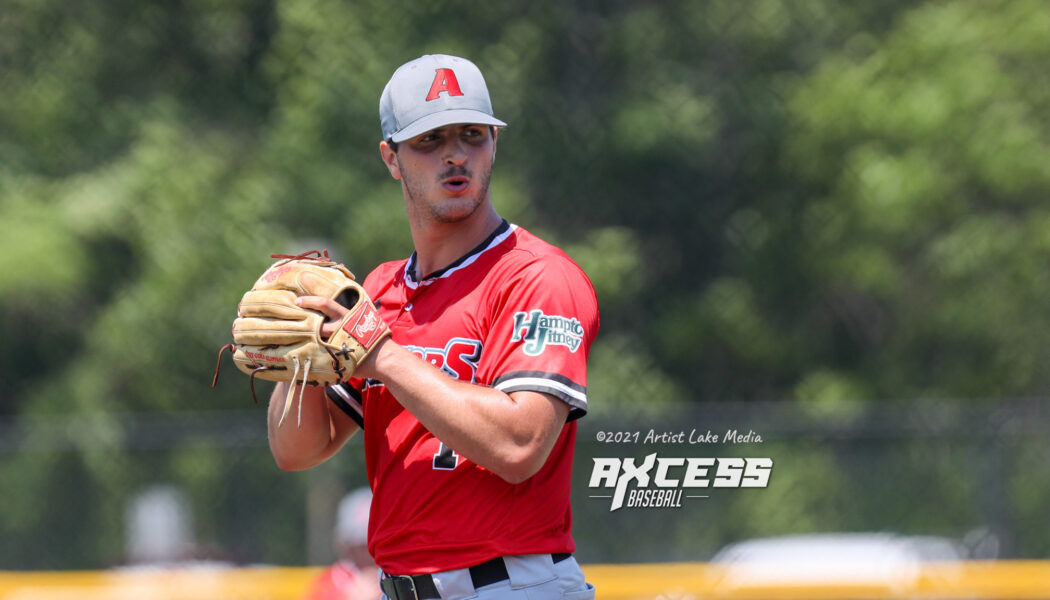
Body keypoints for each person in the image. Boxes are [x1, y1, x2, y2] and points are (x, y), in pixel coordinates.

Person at [267, 54, 599, 600]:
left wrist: (386, 357)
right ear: (391, 158)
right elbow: (299, 449)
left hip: (510, 587)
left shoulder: (537, 276)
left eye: (472, 134)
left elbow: (521, 448)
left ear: (495, 142)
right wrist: (296, 353)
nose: (454, 154)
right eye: (429, 140)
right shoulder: (380, 290)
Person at [303, 487, 381, 600]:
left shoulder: (401, 578)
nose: (371, 553)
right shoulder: (329, 585)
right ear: (348, 547)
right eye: (363, 546)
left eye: (377, 545)